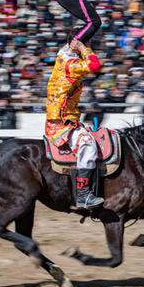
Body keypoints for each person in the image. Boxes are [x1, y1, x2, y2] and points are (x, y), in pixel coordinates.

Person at [45, 38, 103, 209]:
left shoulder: (64, 59)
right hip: (62, 123)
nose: (88, 49)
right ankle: (83, 194)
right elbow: (94, 65)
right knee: (88, 144)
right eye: (86, 45)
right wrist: (84, 48)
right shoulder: (70, 64)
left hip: (66, 119)